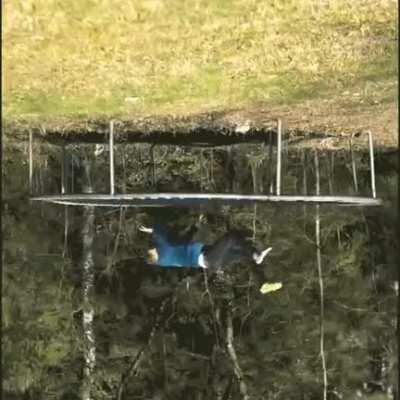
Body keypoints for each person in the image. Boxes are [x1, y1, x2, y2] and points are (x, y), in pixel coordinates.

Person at [139, 221, 272, 269]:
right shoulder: (164, 253)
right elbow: (162, 237)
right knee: (230, 239)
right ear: (153, 254)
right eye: (152, 249)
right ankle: (255, 254)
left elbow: (161, 240)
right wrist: (152, 229)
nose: (153, 247)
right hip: (208, 258)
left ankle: (256, 258)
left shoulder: (162, 261)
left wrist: (152, 231)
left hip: (211, 263)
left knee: (236, 254)